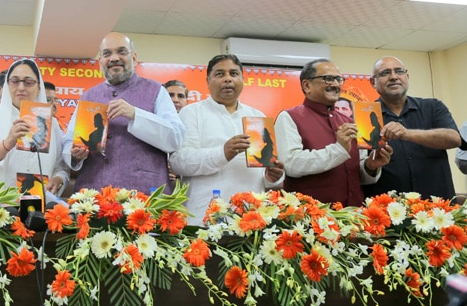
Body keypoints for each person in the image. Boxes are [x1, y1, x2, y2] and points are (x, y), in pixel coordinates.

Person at [63, 32, 184, 194]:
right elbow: (69, 143)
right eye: (107, 54)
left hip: (145, 195)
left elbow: (175, 138)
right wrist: (76, 154)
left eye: (121, 51)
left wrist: (135, 114)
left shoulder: (156, 91)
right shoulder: (88, 97)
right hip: (95, 196)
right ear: (100, 62)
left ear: (134, 58)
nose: (114, 58)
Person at [170, 54, 283, 223]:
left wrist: (273, 178)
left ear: (243, 79)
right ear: (207, 81)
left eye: (234, 74)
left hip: (251, 217)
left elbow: (263, 174)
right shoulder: (192, 112)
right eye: (220, 74)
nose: (228, 79)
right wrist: (223, 153)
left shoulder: (257, 116)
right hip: (204, 216)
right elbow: (179, 162)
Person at [275, 59, 391, 206]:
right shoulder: (289, 117)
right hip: (312, 219)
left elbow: (358, 175)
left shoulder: (350, 121)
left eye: (338, 79)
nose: (336, 85)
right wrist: (338, 149)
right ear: (307, 85)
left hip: (354, 216)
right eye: (328, 79)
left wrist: (370, 166)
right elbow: (291, 164)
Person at [0, 58, 69, 196]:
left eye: (29, 82)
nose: (21, 88)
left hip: (34, 207)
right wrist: (6, 144)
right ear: (7, 85)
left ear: (38, 87)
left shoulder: (51, 123)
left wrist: (58, 179)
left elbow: (61, 167)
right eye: (14, 81)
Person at [361, 56, 461, 199]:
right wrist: (371, 166)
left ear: (407, 76)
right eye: (385, 73)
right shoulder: (364, 116)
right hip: (388, 213)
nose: (394, 77)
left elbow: (454, 139)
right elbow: (359, 170)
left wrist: (406, 133)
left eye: (399, 71)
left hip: (439, 209)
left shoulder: (433, 107)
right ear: (373, 82)